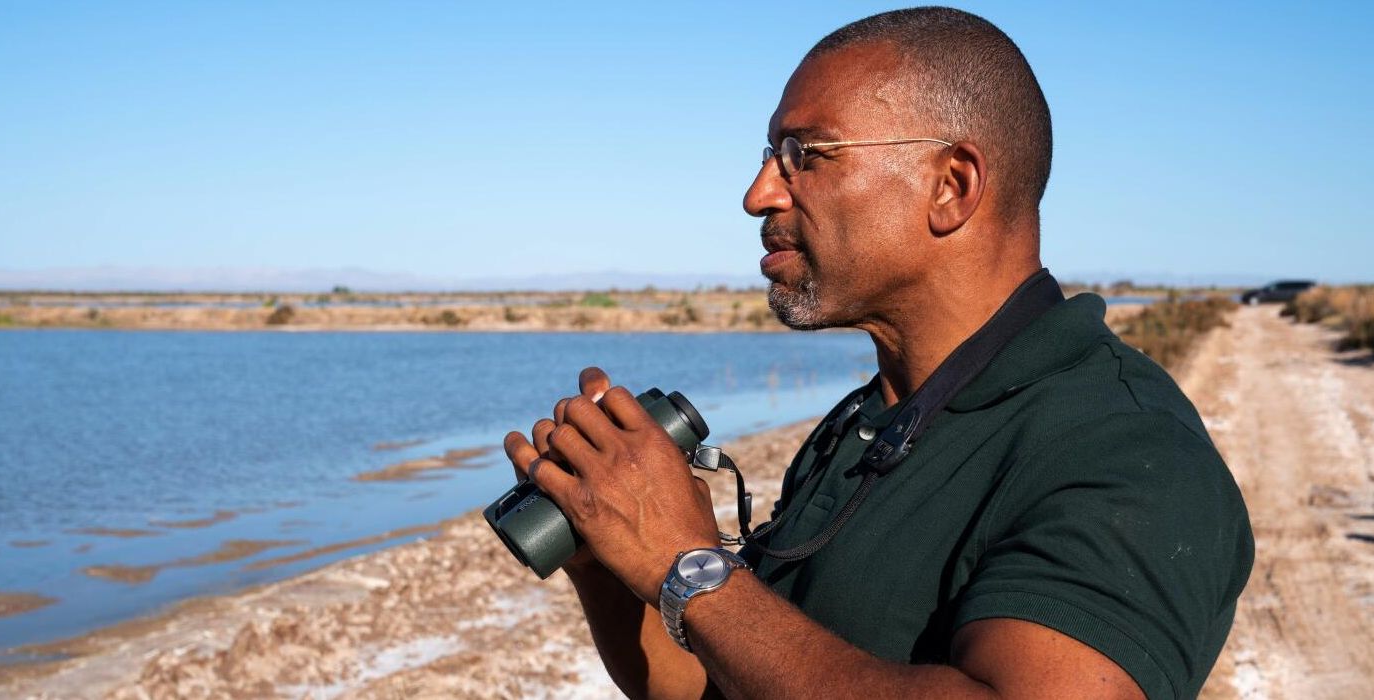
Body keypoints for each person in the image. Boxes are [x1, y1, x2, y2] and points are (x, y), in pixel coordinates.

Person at [502, 7, 1252, 699]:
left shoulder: (1127, 450)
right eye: (770, 154)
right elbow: (729, 679)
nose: (759, 194)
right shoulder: (868, 425)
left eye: (804, 154)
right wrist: (610, 549)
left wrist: (689, 566)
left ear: (951, 186)